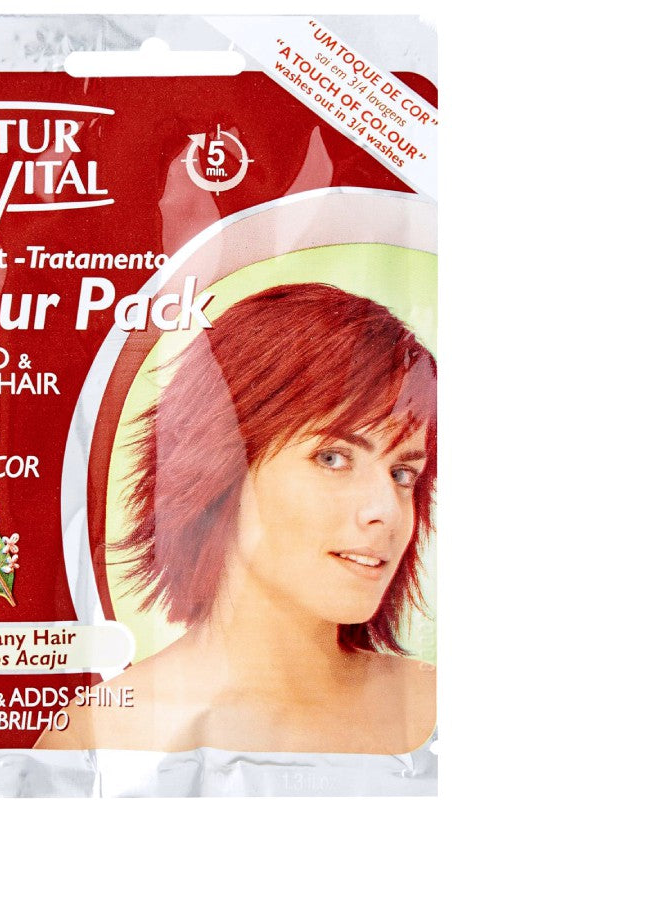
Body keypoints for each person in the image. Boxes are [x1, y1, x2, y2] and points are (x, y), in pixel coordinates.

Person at [38, 282, 437, 754]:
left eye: (402, 474)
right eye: (332, 458)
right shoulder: (102, 735)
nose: (386, 511)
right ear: (221, 464)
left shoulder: (436, 707)